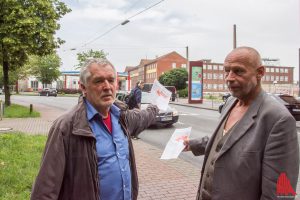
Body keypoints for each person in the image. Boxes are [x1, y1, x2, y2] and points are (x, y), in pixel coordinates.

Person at [30, 58, 159, 200]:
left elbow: (143, 117)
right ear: (83, 87)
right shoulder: (65, 127)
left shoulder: (122, 118)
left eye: (111, 80)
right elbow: (45, 190)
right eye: (98, 81)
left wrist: (156, 106)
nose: (107, 86)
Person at [184, 46, 299, 200]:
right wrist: (192, 144)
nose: (229, 78)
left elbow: (281, 192)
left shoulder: (279, 120)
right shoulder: (230, 102)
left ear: (260, 72)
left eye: (238, 71)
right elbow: (225, 143)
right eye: (227, 71)